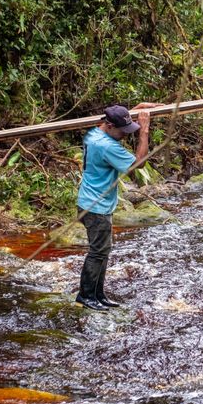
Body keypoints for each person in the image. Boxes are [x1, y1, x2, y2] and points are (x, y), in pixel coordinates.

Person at [75, 102, 160, 311]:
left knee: (103, 252)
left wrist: (135, 108)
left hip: (90, 202)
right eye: (123, 131)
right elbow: (139, 165)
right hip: (96, 207)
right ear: (111, 127)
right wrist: (144, 131)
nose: (125, 135)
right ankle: (85, 296)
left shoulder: (94, 132)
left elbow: (113, 117)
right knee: (97, 253)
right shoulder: (106, 146)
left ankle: (98, 294)